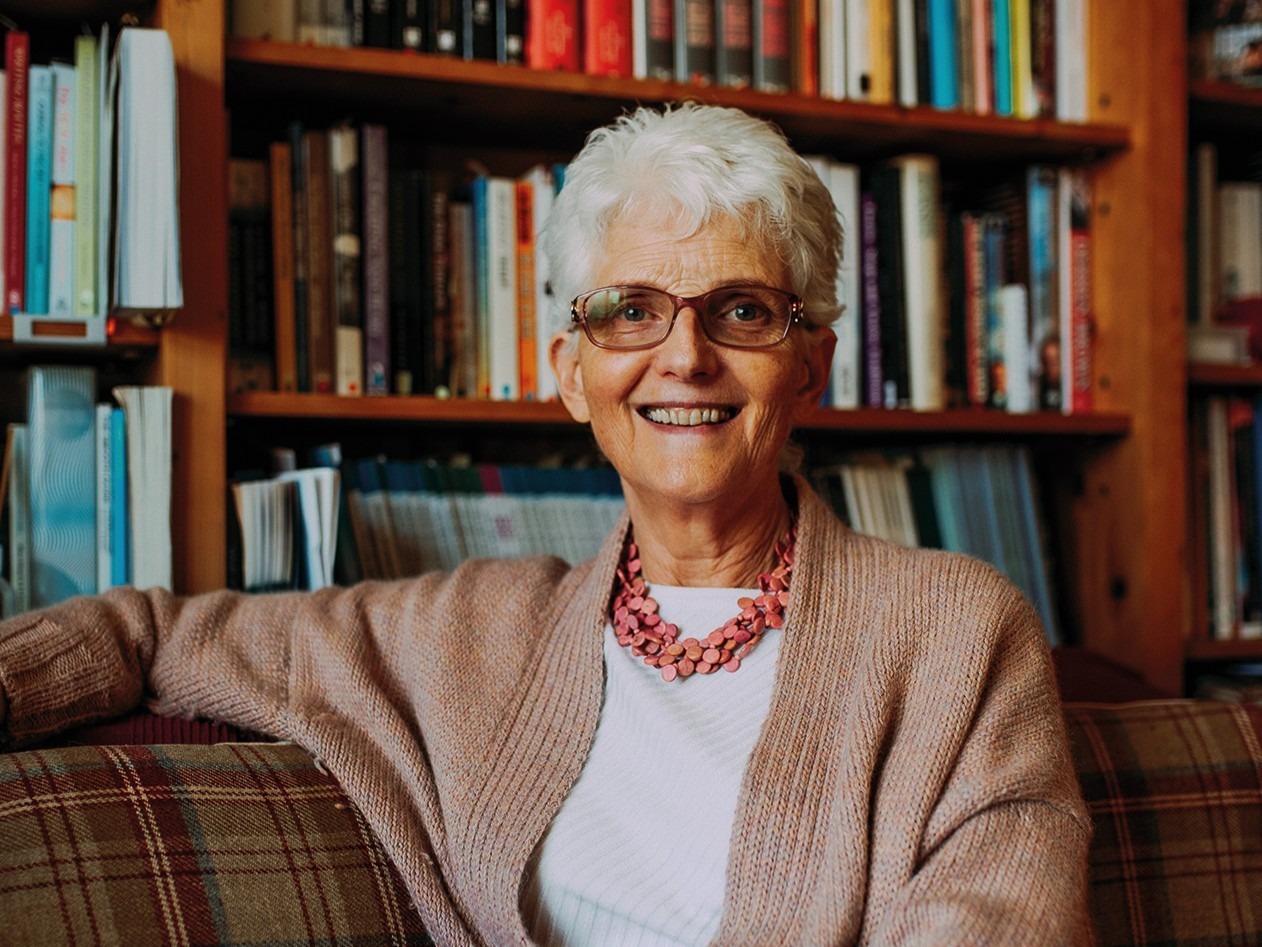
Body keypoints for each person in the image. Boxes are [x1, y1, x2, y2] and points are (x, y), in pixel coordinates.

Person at [0, 103, 1092, 945]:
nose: (683, 355)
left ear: (809, 358)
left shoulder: (954, 635)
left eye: (741, 309)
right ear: (573, 372)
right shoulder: (470, 632)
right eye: (630, 310)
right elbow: (152, 635)